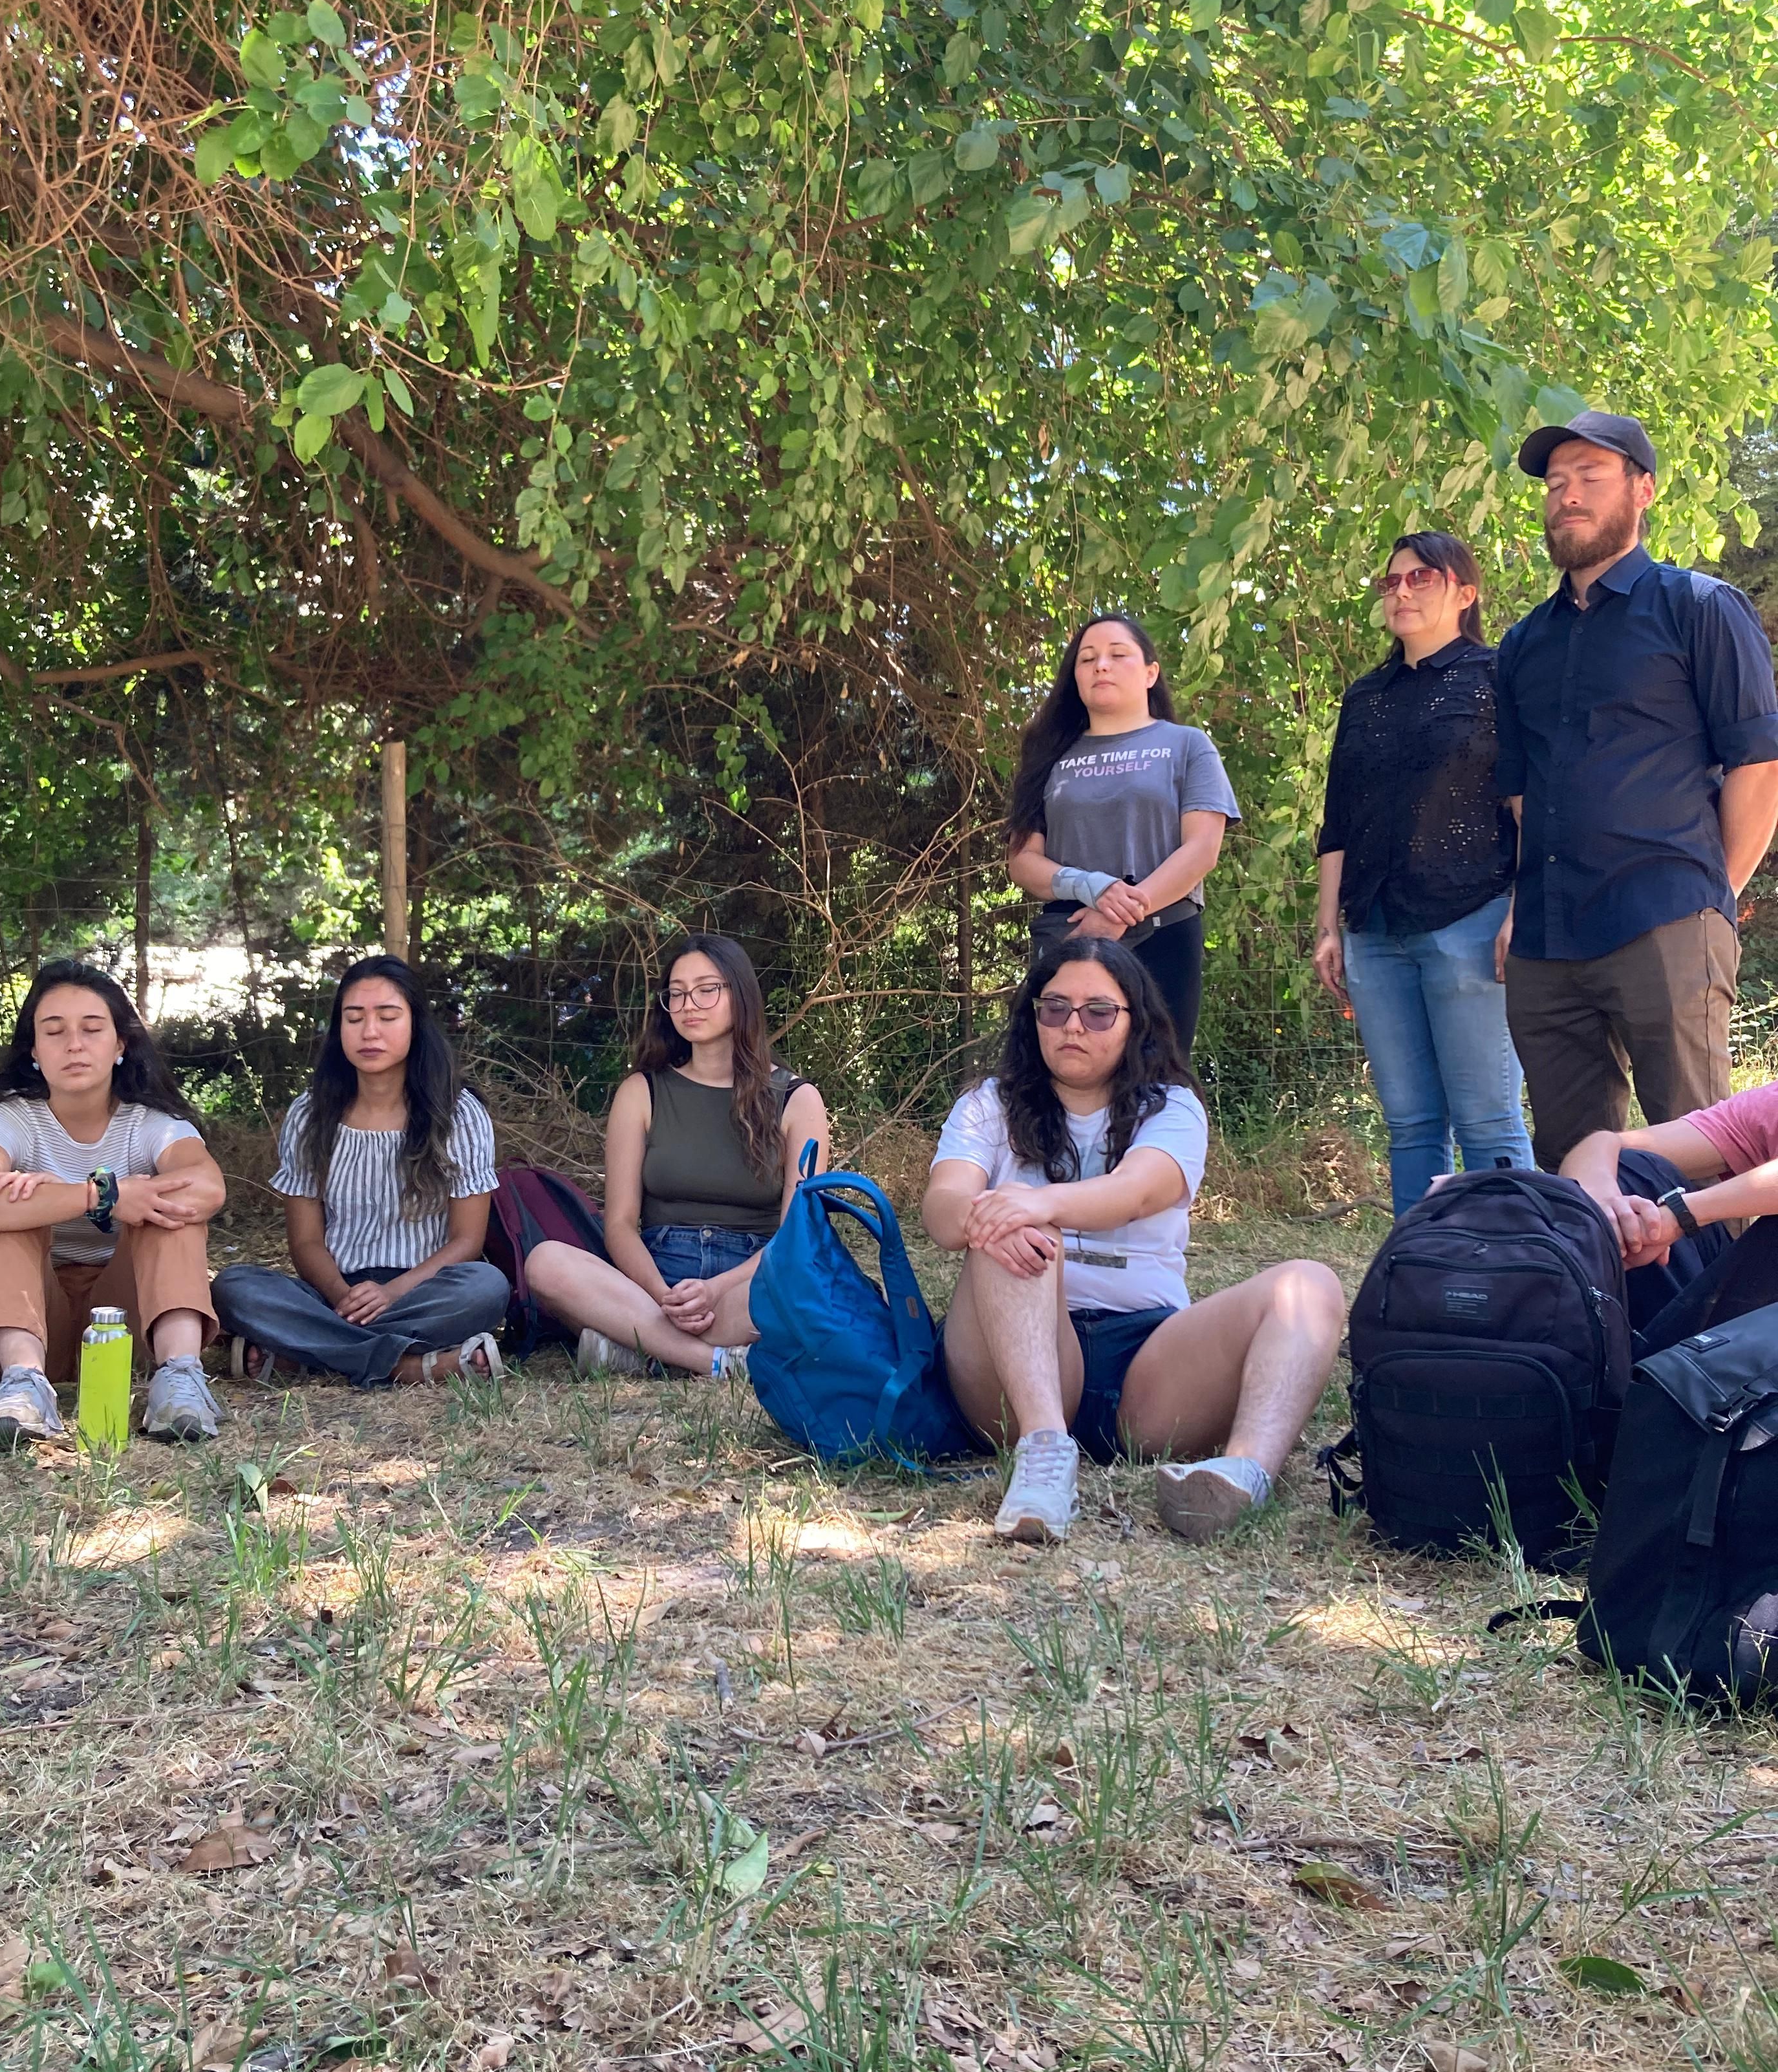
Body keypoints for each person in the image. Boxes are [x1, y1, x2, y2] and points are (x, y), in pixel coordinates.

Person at [921, 937, 1346, 1546]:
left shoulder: (1172, 1106)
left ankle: (1243, 1474)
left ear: (1134, 1022)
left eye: (1099, 1011)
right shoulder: (988, 1104)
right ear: (1032, 1018)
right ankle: (1045, 1458)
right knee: (1012, 1228)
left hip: (1147, 1364)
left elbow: (1139, 1191)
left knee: (1311, 1284)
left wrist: (1035, 1201)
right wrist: (991, 1217)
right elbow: (942, 1209)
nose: (1075, 1025)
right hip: (1013, 1358)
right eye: (1055, 1008)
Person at [1497, 410, 1778, 1169]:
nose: (1569, 496)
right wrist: (1523, 914)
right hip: (1547, 947)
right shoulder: (1523, 643)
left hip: (1665, 921)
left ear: (1643, 490)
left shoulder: (1700, 608)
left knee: (1703, 1153)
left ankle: (1737, 1296)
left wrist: (1708, 899)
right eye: (1557, 483)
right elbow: (1523, 794)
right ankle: (1606, 1296)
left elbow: (1758, 766)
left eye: (1591, 476)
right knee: (1576, 1170)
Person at [1313, 532, 1534, 1216]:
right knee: (1410, 1126)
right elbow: (1338, 819)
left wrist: (1521, 911)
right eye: (1392, 582)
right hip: (1373, 933)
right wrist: (1329, 927)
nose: (1402, 592)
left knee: (1488, 1120)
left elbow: (1533, 805)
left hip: (1471, 922)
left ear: (1465, 593)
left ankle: (1516, 1278)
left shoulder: (1500, 678)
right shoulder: (1365, 696)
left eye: (1422, 579)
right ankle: (1421, 1283)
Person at [0, 960, 226, 1449]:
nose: (74, 1044)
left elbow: (207, 1187)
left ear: (120, 1045)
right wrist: (98, 1196)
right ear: (34, 1051)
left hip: (125, 1322)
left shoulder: (151, 1123)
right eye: (54, 1032)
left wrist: (115, 1196)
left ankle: (180, 1380)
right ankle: (22, 1388)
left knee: (171, 1208)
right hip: (26, 1311)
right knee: (12, 1202)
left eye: (92, 1029)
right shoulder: (6, 1121)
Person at [524, 934, 831, 1377]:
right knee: (547, 1262)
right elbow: (621, 1225)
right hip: (657, 1275)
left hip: (750, 1279)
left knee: (809, 1291)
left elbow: (795, 1235)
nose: (690, 1004)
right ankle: (713, 1361)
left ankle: (641, 1347)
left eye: (707, 989)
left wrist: (716, 1289)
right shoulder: (641, 1092)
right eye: (677, 993)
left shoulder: (797, 1099)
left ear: (741, 995)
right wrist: (660, 1296)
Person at [212, 957, 508, 1388]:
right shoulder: (309, 1114)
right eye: (354, 1018)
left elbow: (467, 1240)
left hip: (424, 1291)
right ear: (339, 1030)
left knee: (486, 1286)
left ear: (416, 1024)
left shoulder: (458, 1113)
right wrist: (341, 1297)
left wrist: (392, 1294)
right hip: (333, 1292)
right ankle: (404, 1366)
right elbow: (306, 1241)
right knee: (234, 1286)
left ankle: (308, 1354)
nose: (370, 1032)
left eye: (388, 1017)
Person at [1005, 612, 1239, 1054]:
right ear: (1074, 678)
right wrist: (1091, 886)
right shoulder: (1047, 755)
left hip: (1163, 931)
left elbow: (1203, 849)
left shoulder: (1188, 745)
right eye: (1087, 659)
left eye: (1118, 655)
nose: (1101, 666)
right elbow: (1022, 861)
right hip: (1071, 935)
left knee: (1158, 1083)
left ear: (1151, 672)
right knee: (1063, 1079)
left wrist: (1120, 913)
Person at [1563, 1083, 1778, 1271]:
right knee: (1630, 1171)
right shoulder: (1770, 1104)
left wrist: (1680, 1215)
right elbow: (1602, 1144)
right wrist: (1602, 1200)